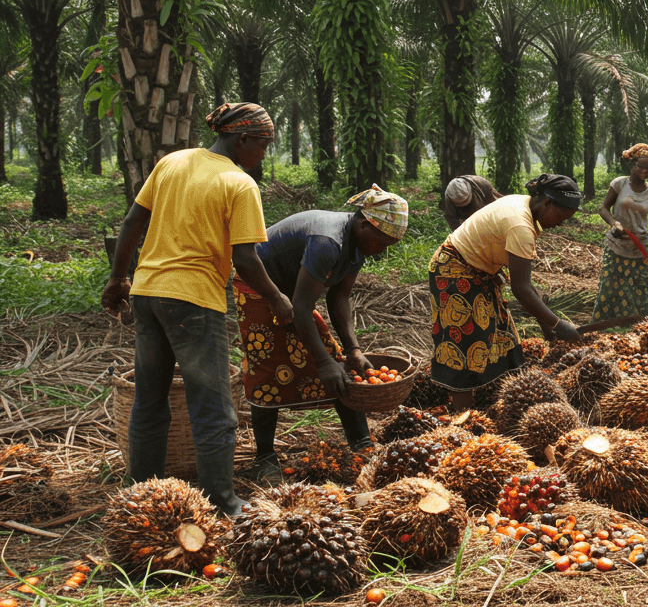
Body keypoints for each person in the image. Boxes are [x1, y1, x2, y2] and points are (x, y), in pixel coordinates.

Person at [101, 103, 292, 517]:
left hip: (147, 293)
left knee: (149, 402)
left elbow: (132, 222)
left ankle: (142, 496)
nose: (264, 154)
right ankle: (222, 501)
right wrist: (277, 297)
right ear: (242, 138)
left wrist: (117, 278)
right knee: (214, 408)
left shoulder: (173, 162)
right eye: (263, 145)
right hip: (192, 300)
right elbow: (245, 259)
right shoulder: (239, 184)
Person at [237, 184, 407, 481]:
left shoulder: (357, 245)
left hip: (292, 295)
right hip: (259, 289)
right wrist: (324, 363)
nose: (381, 251)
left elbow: (339, 297)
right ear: (365, 226)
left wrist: (353, 350)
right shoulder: (328, 242)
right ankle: (264, 457)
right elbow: (302, 308)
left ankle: (362, 444)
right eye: (381, 244)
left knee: (338, 362)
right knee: (268, 368)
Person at [430, 174, 584, 411]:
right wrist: (557, 324)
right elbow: (521, 289)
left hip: (480, 271)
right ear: (547, 203)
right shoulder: (520, 225)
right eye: (560, 217)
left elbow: (526, 285)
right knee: (464, 343)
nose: (559, 223)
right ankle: (461, 418)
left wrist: (546, 324)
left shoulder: (523, 204)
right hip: (454, 271)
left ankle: (501, 403)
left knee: (502, 334)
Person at [591, 143, 648, 322]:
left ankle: (638, 325)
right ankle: (604, 325)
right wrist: (614, 224)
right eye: (641, 167)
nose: (645, 172)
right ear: (632, 165)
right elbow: (603, 208)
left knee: (641, 289)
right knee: (610, 286)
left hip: (639, 248)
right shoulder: (620, 184)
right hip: (616, 245)